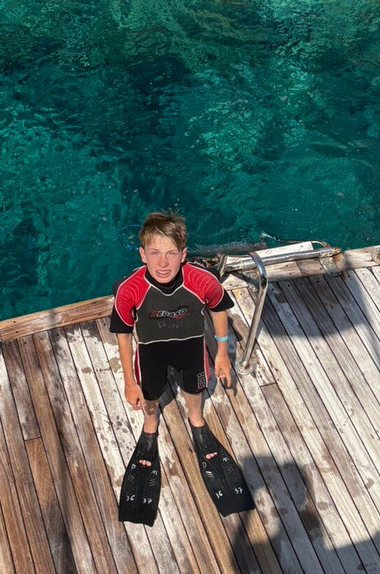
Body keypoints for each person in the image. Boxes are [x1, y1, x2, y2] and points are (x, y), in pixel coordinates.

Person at [111, 211, 254, 525]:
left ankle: (196, 419)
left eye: (171, 253)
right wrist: (128, 380)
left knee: (195, 389)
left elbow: (218, 310)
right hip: (151, 353)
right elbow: (123, 335)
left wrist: (220, 352)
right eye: (155, 253)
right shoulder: (129, 289)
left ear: (184, 254)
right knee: (150, 394)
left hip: (191, 350)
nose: (163, 263)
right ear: (142, 254)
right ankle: (151, 426)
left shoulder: (202, 280)